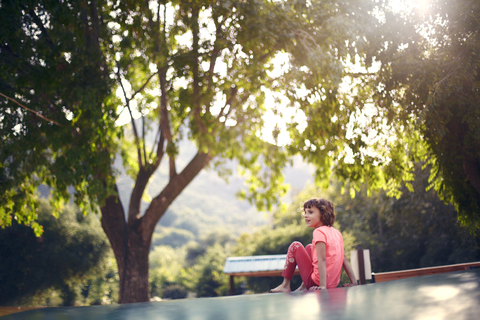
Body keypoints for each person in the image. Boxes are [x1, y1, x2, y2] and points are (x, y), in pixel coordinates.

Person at [270, 198, 357, 292]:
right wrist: (354, 282)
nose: (306, 216)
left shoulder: (318, 232)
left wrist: (322, 286)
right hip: (332, 284)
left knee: (295, 245)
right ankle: (303, 286)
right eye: (305, 212)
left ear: (323, 214)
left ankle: (285, 285)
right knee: (309, 247)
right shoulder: (337, 233)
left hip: (316, 283)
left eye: (310, 212)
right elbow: (345, 259)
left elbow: (322, 260)